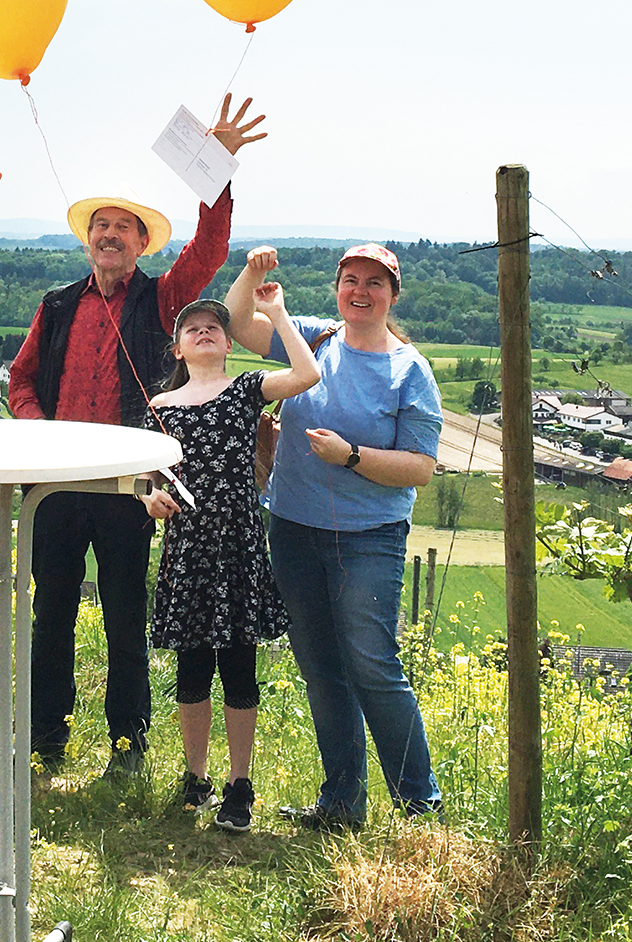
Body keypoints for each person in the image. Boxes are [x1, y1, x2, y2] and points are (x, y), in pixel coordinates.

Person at [5, 95, 267, 778]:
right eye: (101, 226)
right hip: (56, 485)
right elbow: (22, 381)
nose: (111, 235)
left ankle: (128, 745)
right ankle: (46, 741)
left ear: (142, 244)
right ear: (87, 239)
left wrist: (219, 169)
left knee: (125, 618)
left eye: (124, 228)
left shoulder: (162, 298)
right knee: (51, 616)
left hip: (129, 485)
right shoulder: (57, 305)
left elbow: (211, 249)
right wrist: (41, 434)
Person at [224, 243, 443, 829]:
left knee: (372, 666)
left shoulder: (409, 370)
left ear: (393, 295)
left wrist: (351, 458)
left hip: (369, 537)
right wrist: (251, 274)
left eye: (375, 283)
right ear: (337, 288)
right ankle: (342, 804)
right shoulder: (315, 338)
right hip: (294, 529)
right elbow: (239, 325)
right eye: (351, 280)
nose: (361, 291)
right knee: (321, 668)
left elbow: (420, 467)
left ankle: (419, 809)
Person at [145, 286, 319, 831]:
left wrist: (278, 314)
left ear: (226, 345)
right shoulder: (159, 409)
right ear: (177, 349)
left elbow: (306, 375)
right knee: (192, 667)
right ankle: (195, 777)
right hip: (187, 551)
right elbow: (139, 478)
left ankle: (239, 784)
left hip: (239, 547)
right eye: (192, 328)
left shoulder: (246, 389)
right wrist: (146, 498)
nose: (203, 332)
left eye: (214, 328)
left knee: (239, 667)